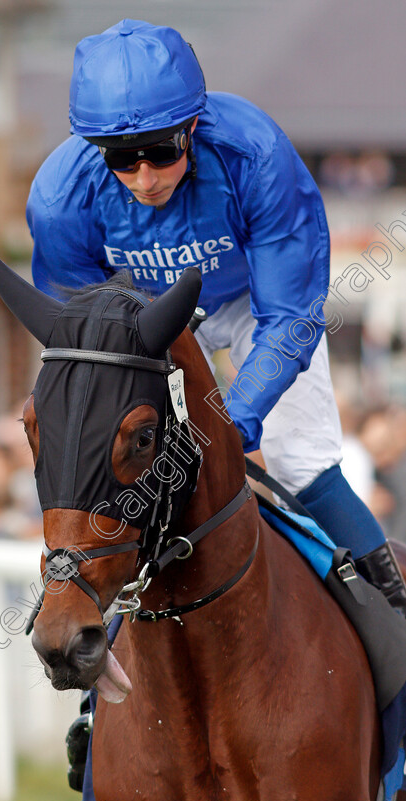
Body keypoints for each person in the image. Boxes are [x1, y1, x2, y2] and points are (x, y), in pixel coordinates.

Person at [26, 19, 406, 614]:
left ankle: (391, 615)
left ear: (193, 127)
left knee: (298, 460)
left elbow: (290, 317)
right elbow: (85, 341)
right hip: (150, 319)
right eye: (123, 160)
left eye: (161, 151)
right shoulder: (58, 200)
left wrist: (238, 421)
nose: (146, 178)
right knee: (116, 472)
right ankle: (96, 658)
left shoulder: (257, 155)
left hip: (260, 301)